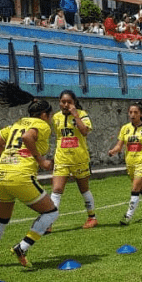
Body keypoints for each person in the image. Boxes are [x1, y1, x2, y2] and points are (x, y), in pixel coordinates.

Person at [0, 81, 57, 268]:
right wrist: (40, 160)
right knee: (51, 212)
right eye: (49, 115)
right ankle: (22, 247)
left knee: (1, 219)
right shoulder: (42, 124)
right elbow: (27, 137)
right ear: (44, 114)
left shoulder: (17, 123)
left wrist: (10, 157)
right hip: (20, 175)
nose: (50, 118)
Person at [50, 90, 98, 229]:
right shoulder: (56, 117)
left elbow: (84, 132)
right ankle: (49, 222)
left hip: (79, 159)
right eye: (63, 102)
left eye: (69, 102)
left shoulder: (82, 115)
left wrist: (76, 116)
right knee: (57, 189)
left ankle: (92, 217)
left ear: (74, 103)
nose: (66, 105)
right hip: (61, 159)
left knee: (84, 189)